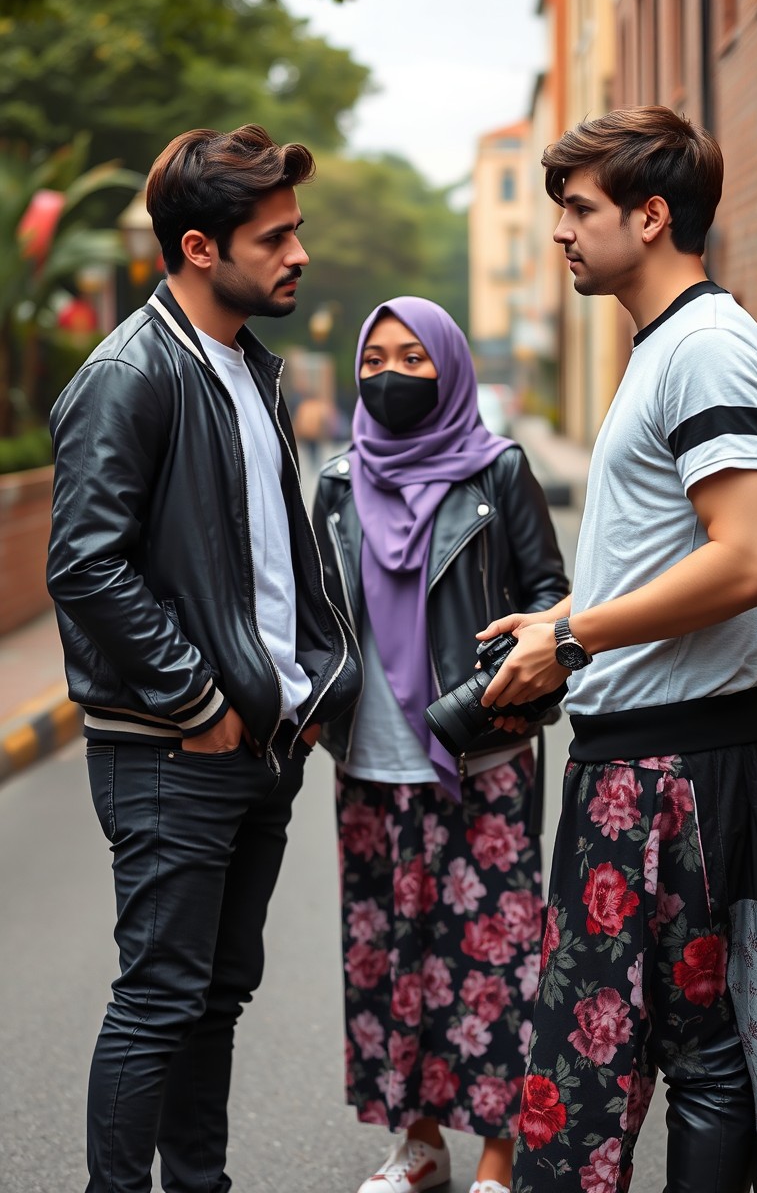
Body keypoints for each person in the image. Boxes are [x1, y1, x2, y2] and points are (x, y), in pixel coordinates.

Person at [476, 107, 757, 1192]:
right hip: (652, 757)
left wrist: (574, 633)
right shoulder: (670, 345)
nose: (560, 231)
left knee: (690, 1059)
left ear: (650, 216)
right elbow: (671, 555)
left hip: (674, 771)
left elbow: (749, 558)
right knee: (642, 1058)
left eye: (578, 210)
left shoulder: (704, 348)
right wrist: (566, 623)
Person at [46, 124, 361, 1193]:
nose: (298, 254)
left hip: (258, 745)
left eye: (295, 232)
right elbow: (85, 566)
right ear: (197, 246)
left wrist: (309, 688)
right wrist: (196, 698)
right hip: (175, 749)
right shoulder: (129, 376)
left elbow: (271, 561)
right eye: (274, 237)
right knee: (158, 998)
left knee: (215, 995)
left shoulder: (247, 370)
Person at [312, 296, 570, 1193]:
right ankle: (419, 1145)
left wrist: (502, 700)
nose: (392, 375)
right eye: (376, 357)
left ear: (451, 368)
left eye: (415, 359)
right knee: (391, 962)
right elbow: (315, 620)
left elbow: (551, 601)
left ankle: (502, 1154)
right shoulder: (340, 483)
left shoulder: (498, 471)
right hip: (367, 769)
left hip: (478, 762)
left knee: (494, 957)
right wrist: (314, 701)